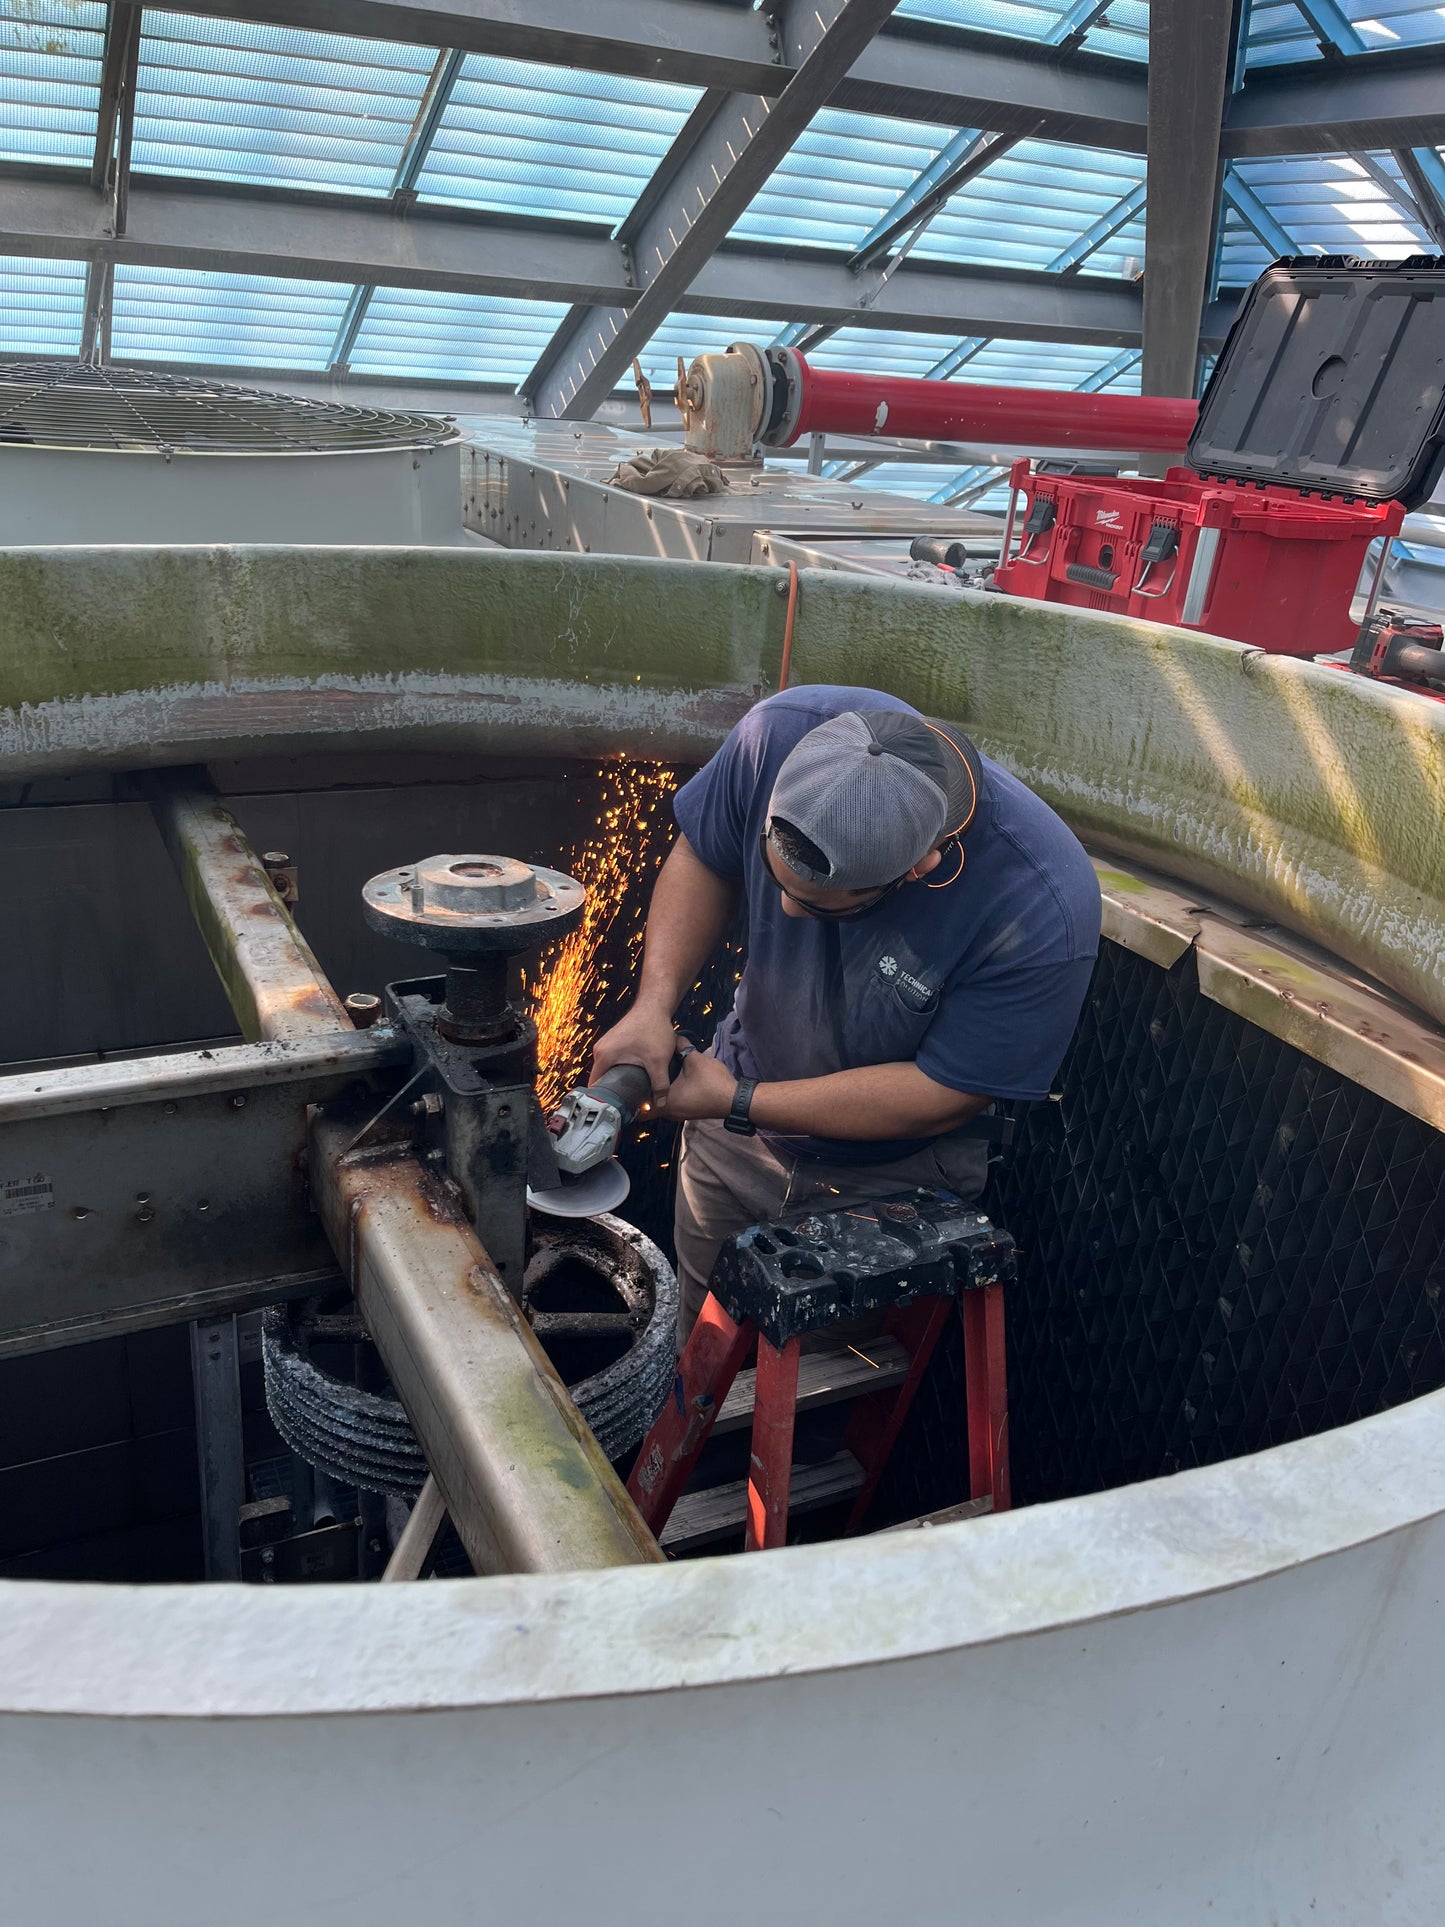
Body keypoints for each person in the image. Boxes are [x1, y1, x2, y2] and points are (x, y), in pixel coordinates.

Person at [590, 684, 1101, 1340]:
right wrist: (650, 1007)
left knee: (817, 1382)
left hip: (888, 1183)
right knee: (700, 1349)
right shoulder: (774, 734)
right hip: (731, 1140)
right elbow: (705, 853)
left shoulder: (1039, 902)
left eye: (822, 904)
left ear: (920, 867)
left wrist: (739, 1098)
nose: (785, 914)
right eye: (776, 883)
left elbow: (946, 1091)